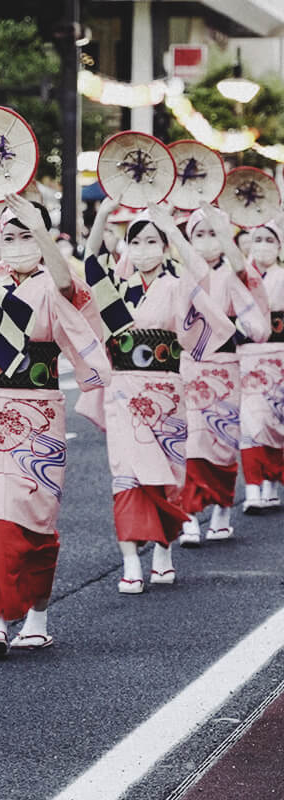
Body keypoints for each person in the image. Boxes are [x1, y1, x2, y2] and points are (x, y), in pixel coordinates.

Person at [0, 189, 110, 655]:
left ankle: (37, 616)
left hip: (40, 411)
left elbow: (71, 289)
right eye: (8, 234)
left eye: (24, 233)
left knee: (36, 523)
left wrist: (43, 231)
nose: (14, 242)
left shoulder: (54, 283)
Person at [84, 199, 235, 593]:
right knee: (127, 475)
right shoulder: (116, 287)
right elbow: (88, 264)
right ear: (127, 248)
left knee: (166, 474)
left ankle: (163, 551)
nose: (145, 249)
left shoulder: (176, 285)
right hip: (123, 392)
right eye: (138, 242)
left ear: (164, 246)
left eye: (153, 241)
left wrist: (170, 228)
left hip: (166, 393)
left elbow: (201, 274)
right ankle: (131, 560)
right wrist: (101, 215)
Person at [177, 202, 269, 545]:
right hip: (189, 366)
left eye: (212, 233)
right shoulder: (179, 276)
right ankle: (188, 514)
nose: (205, 241)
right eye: (198, 234)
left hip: (225, 369)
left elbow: (256, 325)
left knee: (223, 442)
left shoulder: (231, 275)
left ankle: (221, 511)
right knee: (191, 441)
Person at [239, 217, 284, 512]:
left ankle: (270, 481)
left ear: (279, 246)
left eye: (270, 240)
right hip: (248, 354)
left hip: (280, 353)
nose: (263, 246)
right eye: (258, 239)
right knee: (250, 420)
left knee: (276, 420)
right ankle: (253, 487)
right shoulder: (240, 276)